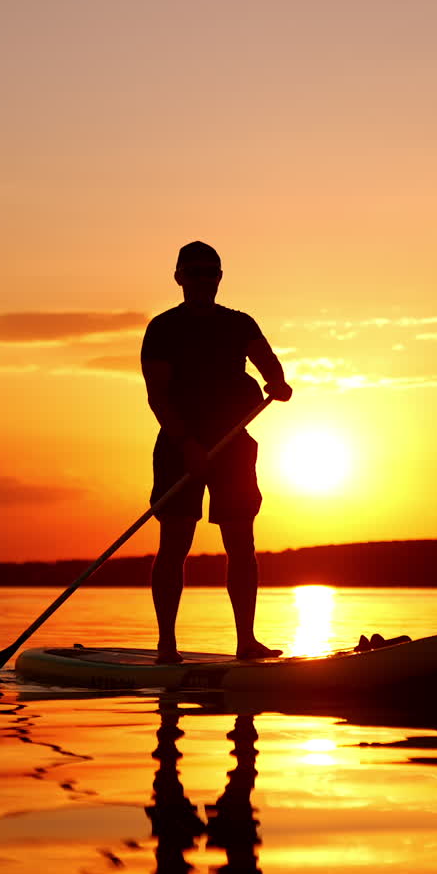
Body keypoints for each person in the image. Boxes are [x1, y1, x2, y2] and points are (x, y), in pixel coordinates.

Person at [141, 242, 292, 663]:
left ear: (220, 277)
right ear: (179, 277)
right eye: (195, 271)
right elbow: (158, 396)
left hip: (232, 443)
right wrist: (187, 443)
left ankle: (247, 641)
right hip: (178, 444)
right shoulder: (163, 328)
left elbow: (269, 366)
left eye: (212, 272)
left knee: (241, 542)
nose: (204, 278)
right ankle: (166, 646)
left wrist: (277, 384)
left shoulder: (239, 323)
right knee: (175, 543)